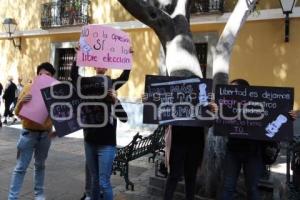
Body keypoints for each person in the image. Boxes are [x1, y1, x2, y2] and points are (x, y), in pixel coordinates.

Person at [221, 79, 297, 200]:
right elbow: (216, 119)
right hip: (233, 151)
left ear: (243, 91)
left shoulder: (260, 104)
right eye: (230, 89)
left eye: (233, 89)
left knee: (252, 189)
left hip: (253, 153)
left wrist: (290, 116)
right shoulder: (227, 105)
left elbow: (277, 114)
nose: (230, 92)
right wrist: (214, 109)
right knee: (227, 187)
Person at [71, 51, 130, 200]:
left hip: (106, 144)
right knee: (95, 181)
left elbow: (124, 118)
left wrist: (128, 58)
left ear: (108, 67)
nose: (101, 64)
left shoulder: (112, 89)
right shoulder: (86, 84)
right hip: (89, 140)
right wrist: (77, 56)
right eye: (98, 61)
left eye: (104, 62)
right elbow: (74, 76)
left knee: (104, 182)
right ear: (93, 66)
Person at [8, 62, 56, 200]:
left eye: (47, 75)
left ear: (52, 77)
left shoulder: (55, 92)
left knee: (40, 165)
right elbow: (17, 112)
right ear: (37, 75)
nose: (44, 77)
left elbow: (61, 115)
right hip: (28, 133)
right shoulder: (29, 87)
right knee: (20, 167)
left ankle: (39, 195)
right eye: (41, 74)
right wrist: (22, 101)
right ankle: (13, 197)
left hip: (45, 135)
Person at [163, 103, 217, 199]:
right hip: (177, 141)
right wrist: (149, 100)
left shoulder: (204, 97)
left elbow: (210, 123)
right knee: (174, 176)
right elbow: (161, 115)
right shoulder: (175, 91)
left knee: (191, 177)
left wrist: (212, 111)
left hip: (195, 143)